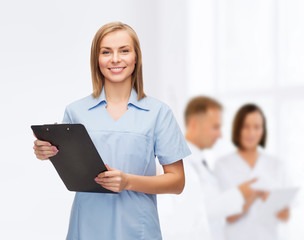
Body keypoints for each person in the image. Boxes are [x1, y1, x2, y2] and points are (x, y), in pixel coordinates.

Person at [33, 22, 191, 240]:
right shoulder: (75, 111)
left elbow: (177, 182)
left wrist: (128, 182)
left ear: (136, 58)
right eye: (106, 52)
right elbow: (70, 165)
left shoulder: (158, 113)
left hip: (138, 230)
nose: (115, 59)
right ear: (97, 60)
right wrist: (46, 152)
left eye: (124, 50)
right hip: (87, 227)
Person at [158, 96, 257, 240]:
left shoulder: (200, 162)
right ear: (193, 124)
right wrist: (239, 194)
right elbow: (193, 213)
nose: (220, 134)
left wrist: (244, 199)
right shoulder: (180, 163)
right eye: (215, 127)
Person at [214, 103, 291, 240]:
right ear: (237, 129)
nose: (251, 133)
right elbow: (228, 216)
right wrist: (254, 194)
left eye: (257, 127)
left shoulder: (277, 165)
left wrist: (275, 204)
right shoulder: (222, 165)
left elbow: (285, 216)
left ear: (263, 131)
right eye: (245, 127)